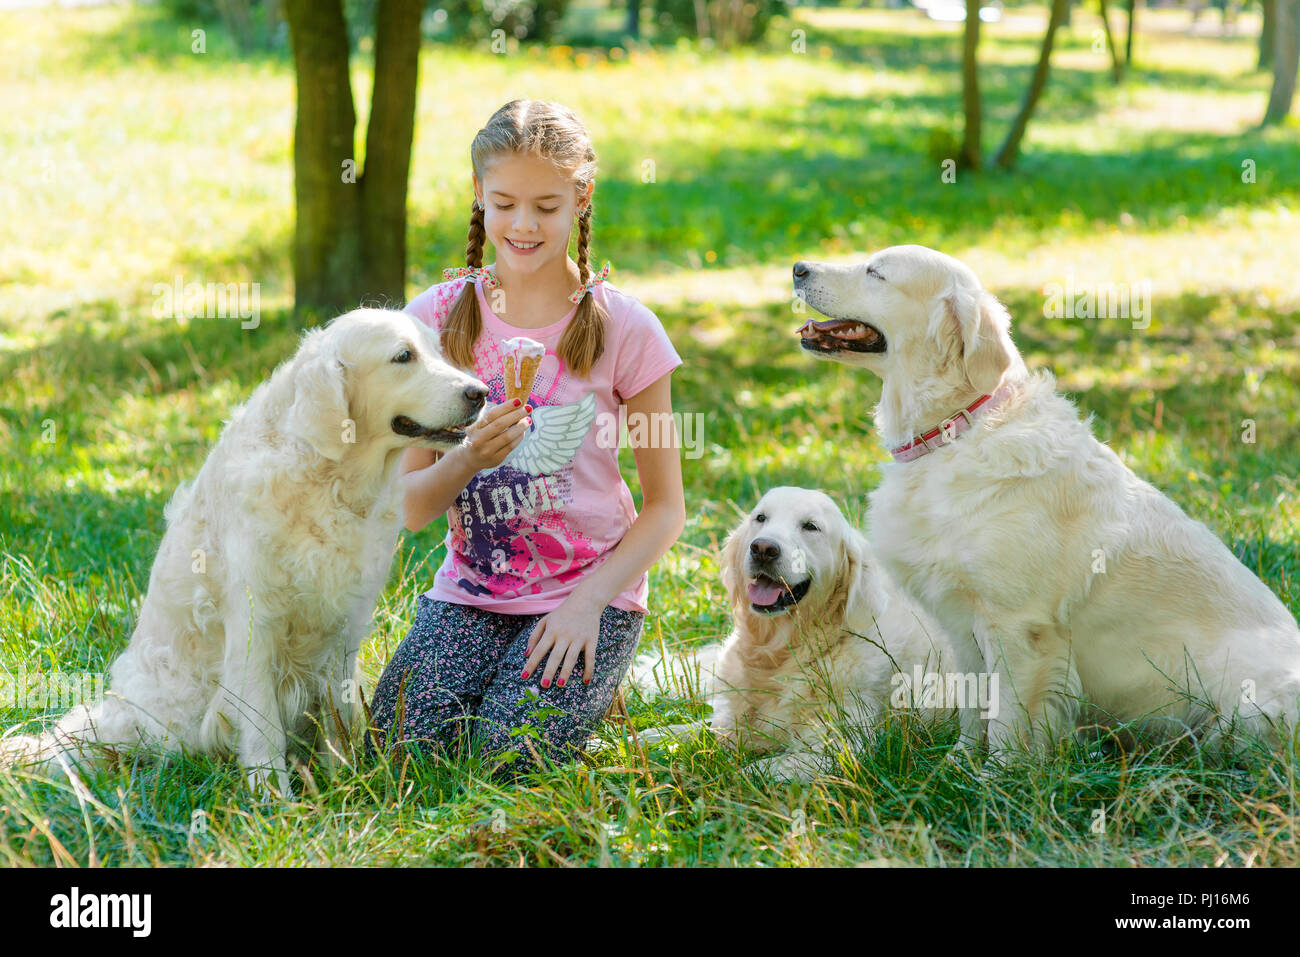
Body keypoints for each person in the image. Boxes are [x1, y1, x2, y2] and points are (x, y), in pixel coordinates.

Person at [367, 99, 686, 773]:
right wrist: (469, 458)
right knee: (397, 754)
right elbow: (408, 506)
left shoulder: (627, 329)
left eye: (546, 205)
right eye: (505, 202)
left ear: (581, 198)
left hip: (589, 592)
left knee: (508, 760)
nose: (523, 224)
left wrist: (586, 608)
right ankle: (554, 692)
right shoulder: (432, 320)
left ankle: (590, 683)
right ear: (478, 195)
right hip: (474, 593)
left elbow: (665, 508)